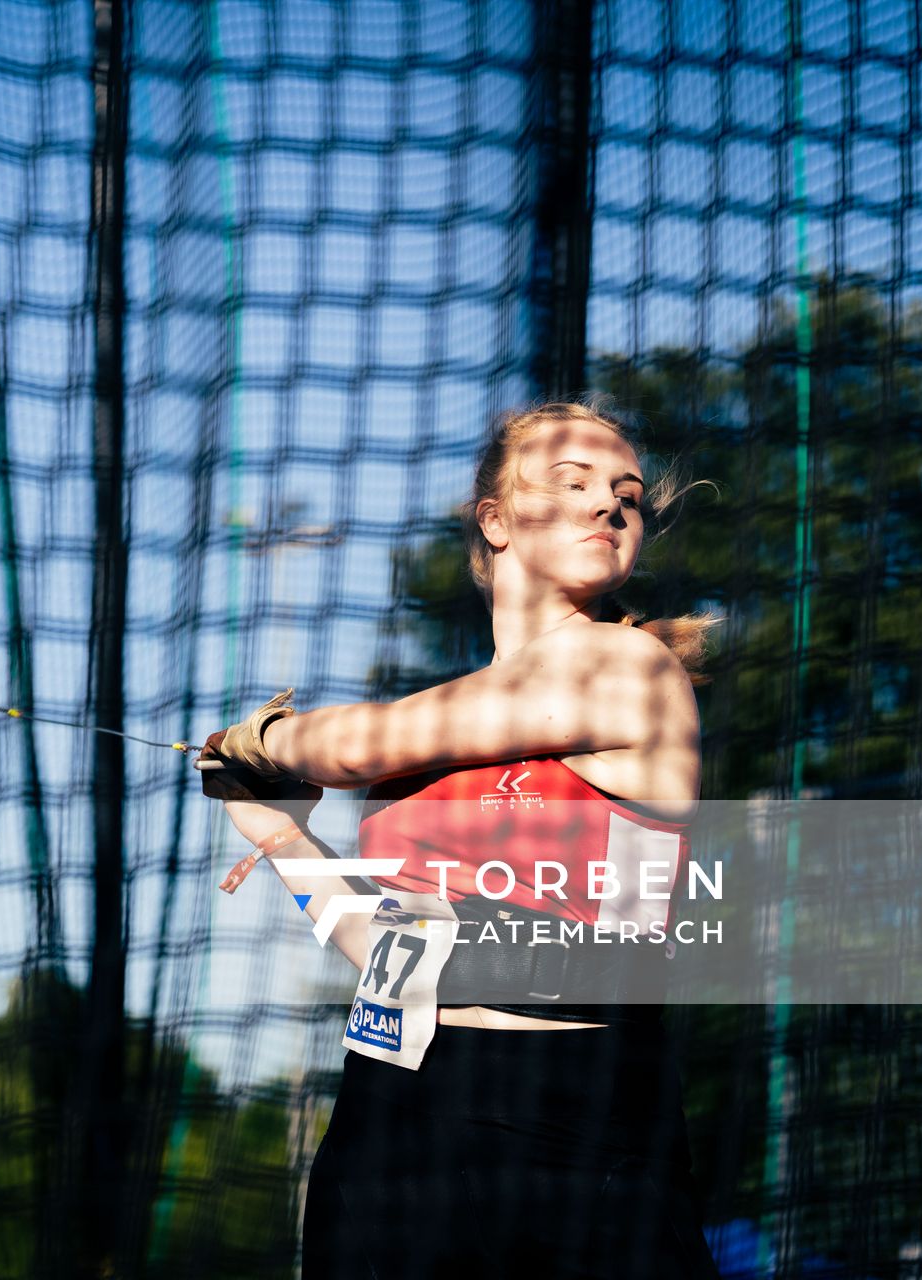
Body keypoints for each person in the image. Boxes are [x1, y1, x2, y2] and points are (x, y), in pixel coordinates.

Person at [200, 400, 725, 1278]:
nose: (608, 506)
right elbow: (395, 955)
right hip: (391, 1111)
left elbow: (354, 744)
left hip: (564, 1113)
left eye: (626, 495)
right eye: (574, 483)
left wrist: (259, 740)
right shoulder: (441, 738)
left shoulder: (630, 667)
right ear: (496, 520)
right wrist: (285, 841)